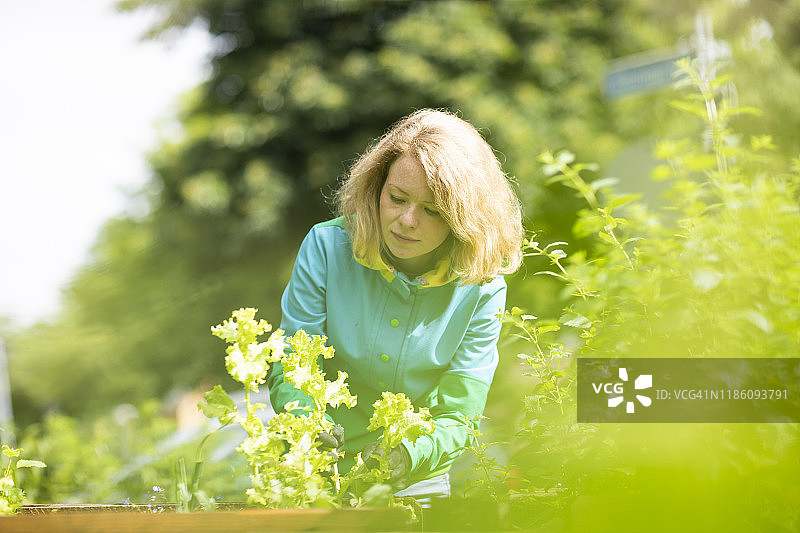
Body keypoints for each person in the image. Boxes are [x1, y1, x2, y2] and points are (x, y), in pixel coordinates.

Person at [267, 108, 523, 501]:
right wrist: (306, 423)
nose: (406, 220)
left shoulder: (483, 285)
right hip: (315, 469)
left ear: (464, 220)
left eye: (433, 211)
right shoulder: (326, 248)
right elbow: (295, 362)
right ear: (377, 188)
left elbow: (459, 412)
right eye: (397, 198)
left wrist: (407, 455)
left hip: (414, 479)